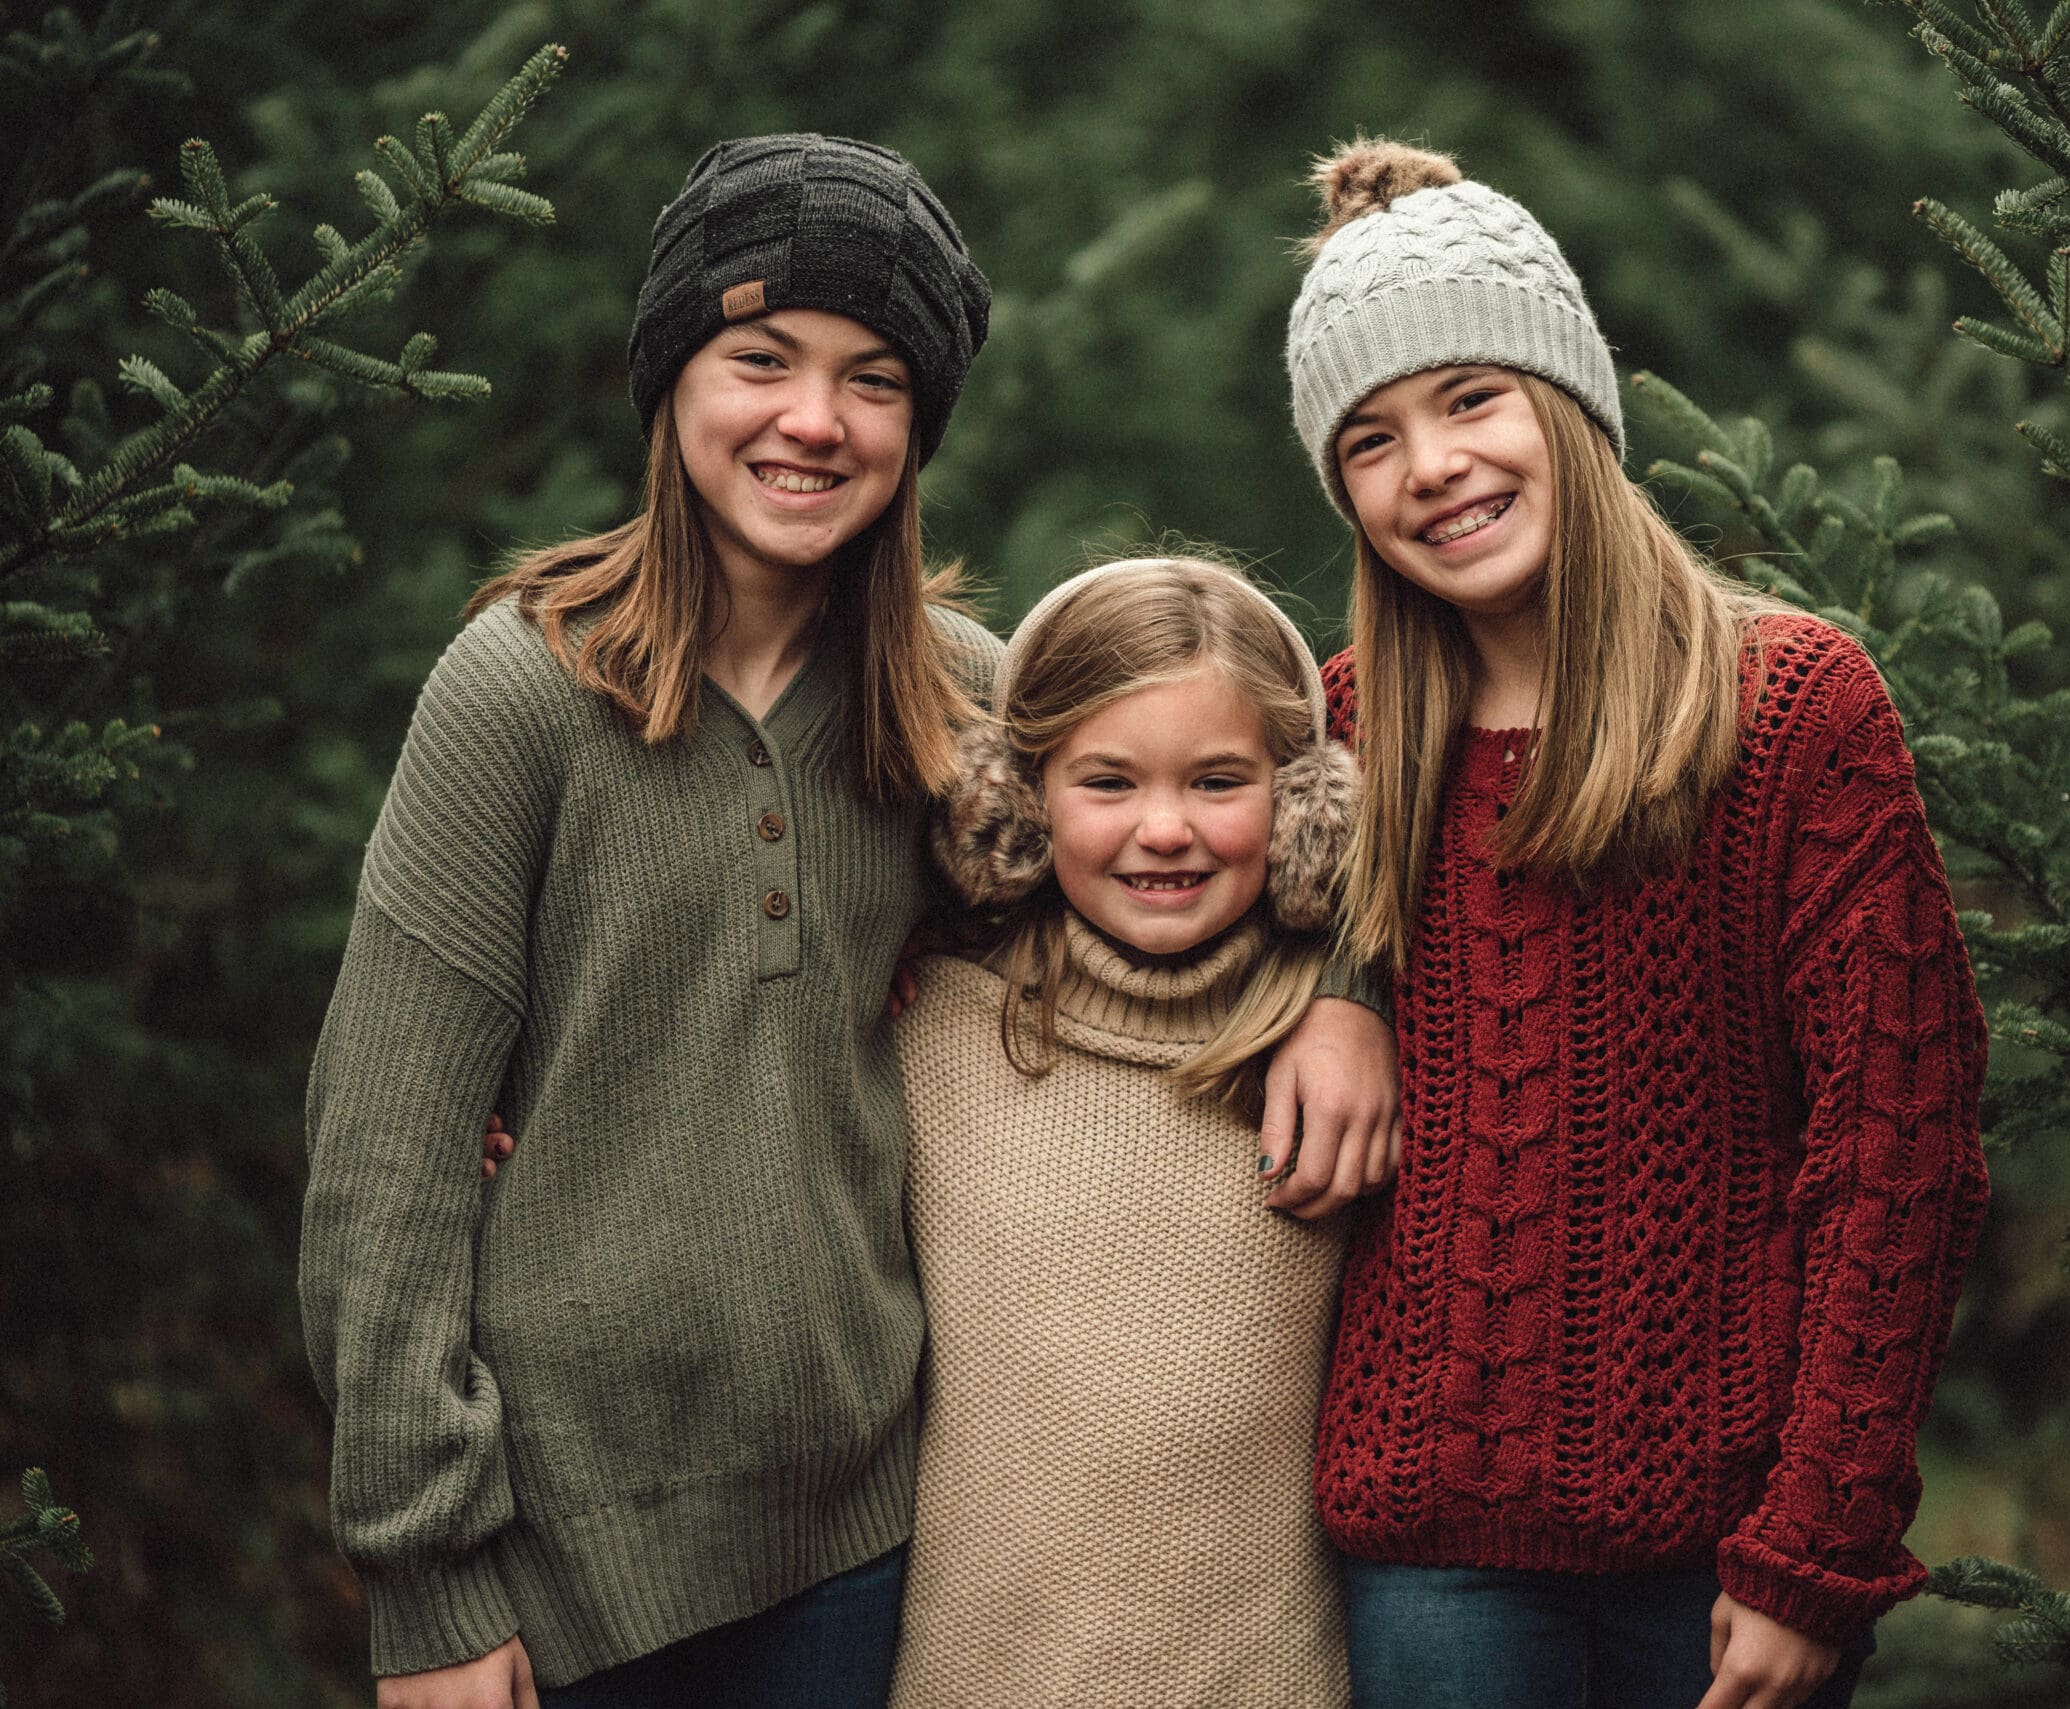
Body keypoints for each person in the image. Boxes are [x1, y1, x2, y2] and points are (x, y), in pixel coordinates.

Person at [300, 137, 1394, 1709]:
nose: (812, 420)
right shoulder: (521, 693)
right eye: (761, 359)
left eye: (872, 378)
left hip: (855, 1548)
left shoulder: (953, 702)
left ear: (916, 424)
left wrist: (1350, 988)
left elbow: (1217, 795)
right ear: (674, 378)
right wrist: (426, 1579)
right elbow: (384, 1164)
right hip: (557, 1548)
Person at [1281, 140, 1992, 1709]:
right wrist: (1339, 984)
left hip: (1727, 1546)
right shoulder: (1345, 728)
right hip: (1432, 1549)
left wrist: (1818, 1542)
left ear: (1574, 404)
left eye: (1473, 399)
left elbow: (1899, 1149)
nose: (1434, 470)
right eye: (1372, 440)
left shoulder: (1793, 710)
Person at [888, 554, 1359, 1707]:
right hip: (973, 1674)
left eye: (1217, 781)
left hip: (1277, 1676)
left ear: (1303, 806)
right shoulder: (926, 1028)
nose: (1163, 829)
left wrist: (1359, 998)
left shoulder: (1341, 1064)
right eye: (1107, 781)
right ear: (1014, 797)